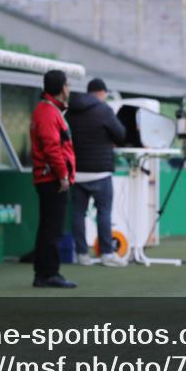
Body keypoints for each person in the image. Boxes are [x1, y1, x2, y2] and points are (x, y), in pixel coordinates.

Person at [66, 77, 127, 268]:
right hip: (100, 172)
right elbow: (121, 134)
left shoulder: (71, 111)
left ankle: (81, 254)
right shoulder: (104, 110)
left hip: (77, 171)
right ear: (102, 93)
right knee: (104, 213)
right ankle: (107, 254)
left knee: (78, 214)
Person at [29, 70, 77, 288]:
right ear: (61, 88)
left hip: (48, 177)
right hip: (52, 179)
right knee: (52, 229)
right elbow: (52, 147)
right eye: (67, 84)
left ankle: (43, 274)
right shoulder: (48, 113)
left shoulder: (47, 110)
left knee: (48, 227)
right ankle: (49, 274)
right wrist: (62, 175)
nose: (69, 88)